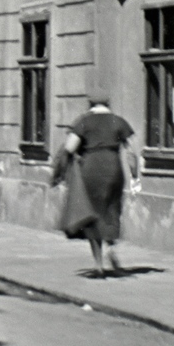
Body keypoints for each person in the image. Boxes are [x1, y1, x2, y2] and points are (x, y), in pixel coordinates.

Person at [53, 94, 140, 277]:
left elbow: (69, 148)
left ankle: (99, 265)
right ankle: (111, 246)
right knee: (111, 210)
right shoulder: (118, 121)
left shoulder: (84, 121)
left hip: (91, 169)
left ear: (90, 103)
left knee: (91, 215)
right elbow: (131, 154)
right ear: (108, 103)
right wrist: (135, 178)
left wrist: (62, 170)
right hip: (114, 169)